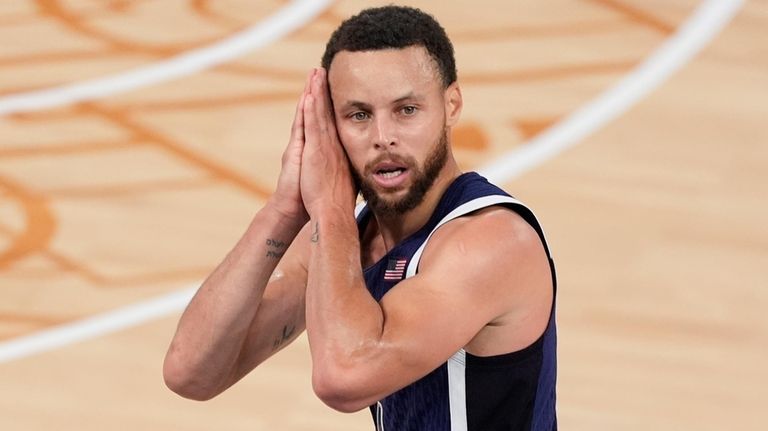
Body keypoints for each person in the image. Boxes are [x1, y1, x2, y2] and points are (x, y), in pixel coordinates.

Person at [163, 5, 557, 430]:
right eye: (359, 115)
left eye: (406, 110)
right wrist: (283, 210)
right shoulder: (347, 236)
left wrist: (330, 208)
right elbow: (191, 372)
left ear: (451, 105)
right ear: (330, 128)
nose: (382, 138)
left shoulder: (491, 242)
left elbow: (342, 379)